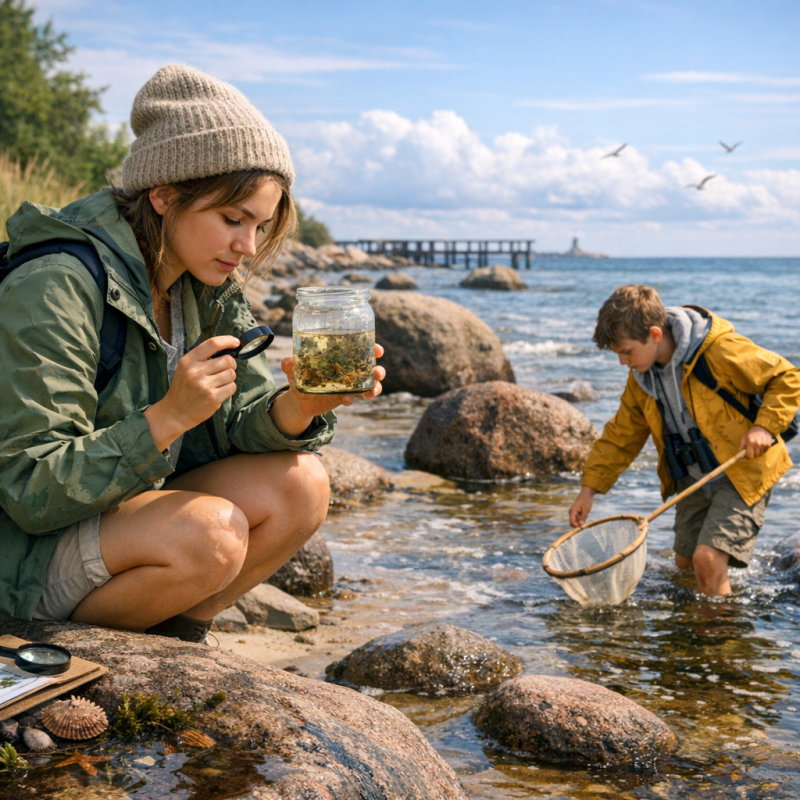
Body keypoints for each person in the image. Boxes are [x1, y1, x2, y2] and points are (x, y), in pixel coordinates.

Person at [0, 64, 385, 641]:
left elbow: (235, 421)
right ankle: (70, 646)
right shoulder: (57, 285)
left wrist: (298, 407)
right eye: (232, 219)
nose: (246, 247)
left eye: (258, 225)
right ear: (163, 195)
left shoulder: (199, 286)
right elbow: (31, 487)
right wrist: (168, 417)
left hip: (121, 520)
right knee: (212, 535)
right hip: (25, 557)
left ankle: (175, 644)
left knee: (302, 485)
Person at [569, 284, 800, 597]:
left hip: (744, 470)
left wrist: (765, 428)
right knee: (685, 563)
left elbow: (788, 377)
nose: (623, 362)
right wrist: (589, 490)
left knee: (707, 559)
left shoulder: (720, 350)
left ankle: (718, 638)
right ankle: (693, 627)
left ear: (654, 334)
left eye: (626, 351)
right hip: (692, 476)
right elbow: (620, 437)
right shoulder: (641, 378)